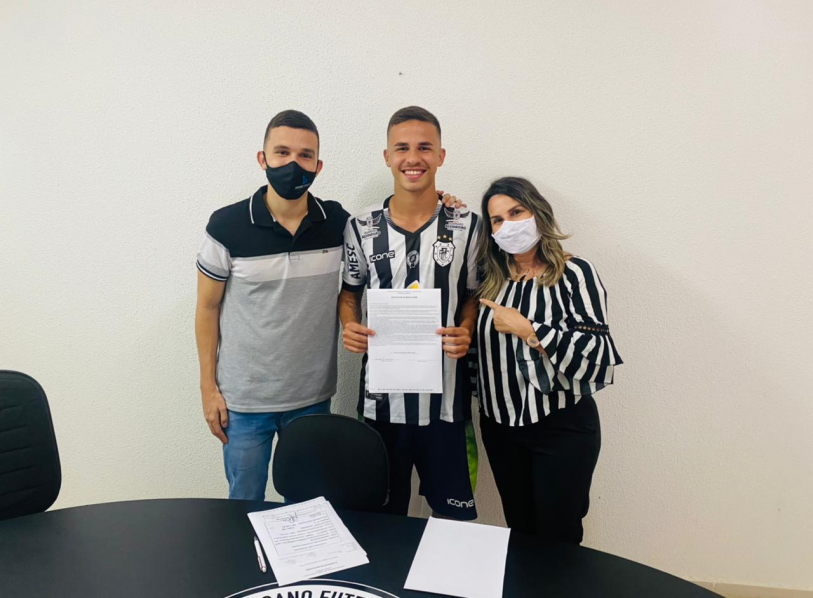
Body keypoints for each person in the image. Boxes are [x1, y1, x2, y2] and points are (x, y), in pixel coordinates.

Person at [195, 110, 465, 501]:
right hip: (243, 401)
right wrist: (208, 389)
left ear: (318, 166)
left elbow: (390, 229)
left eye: (305, 156)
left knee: (309, 509)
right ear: (262, 158)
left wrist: (442, 203)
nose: (293, 164)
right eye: (282, 152)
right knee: (244, 505)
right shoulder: (226, 226)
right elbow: (207, 309)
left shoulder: (337, 223)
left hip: (312, 399)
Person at [338, 106, 480, 520]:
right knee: (381, 521)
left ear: (441, 155)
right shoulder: (361, 227)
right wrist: (349, 325)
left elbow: (473, 294)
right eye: (402, 148)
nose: (413, 158)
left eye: (424, 147)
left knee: (453, 522)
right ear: (387, 156)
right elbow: (349, 294)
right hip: (381, 404)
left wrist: (466, 328)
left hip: (447, 406)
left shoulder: (467, 224)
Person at [475, 176, 622, 543]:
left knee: (559, 535)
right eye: (497, 220)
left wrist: (530, 330)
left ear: (538, 212)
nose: (508, 225)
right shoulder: (489, 279)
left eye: (516, 212)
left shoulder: (574, 274)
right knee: (519, 531)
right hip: (499, 426)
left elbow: (597, 353)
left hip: (560, 426)